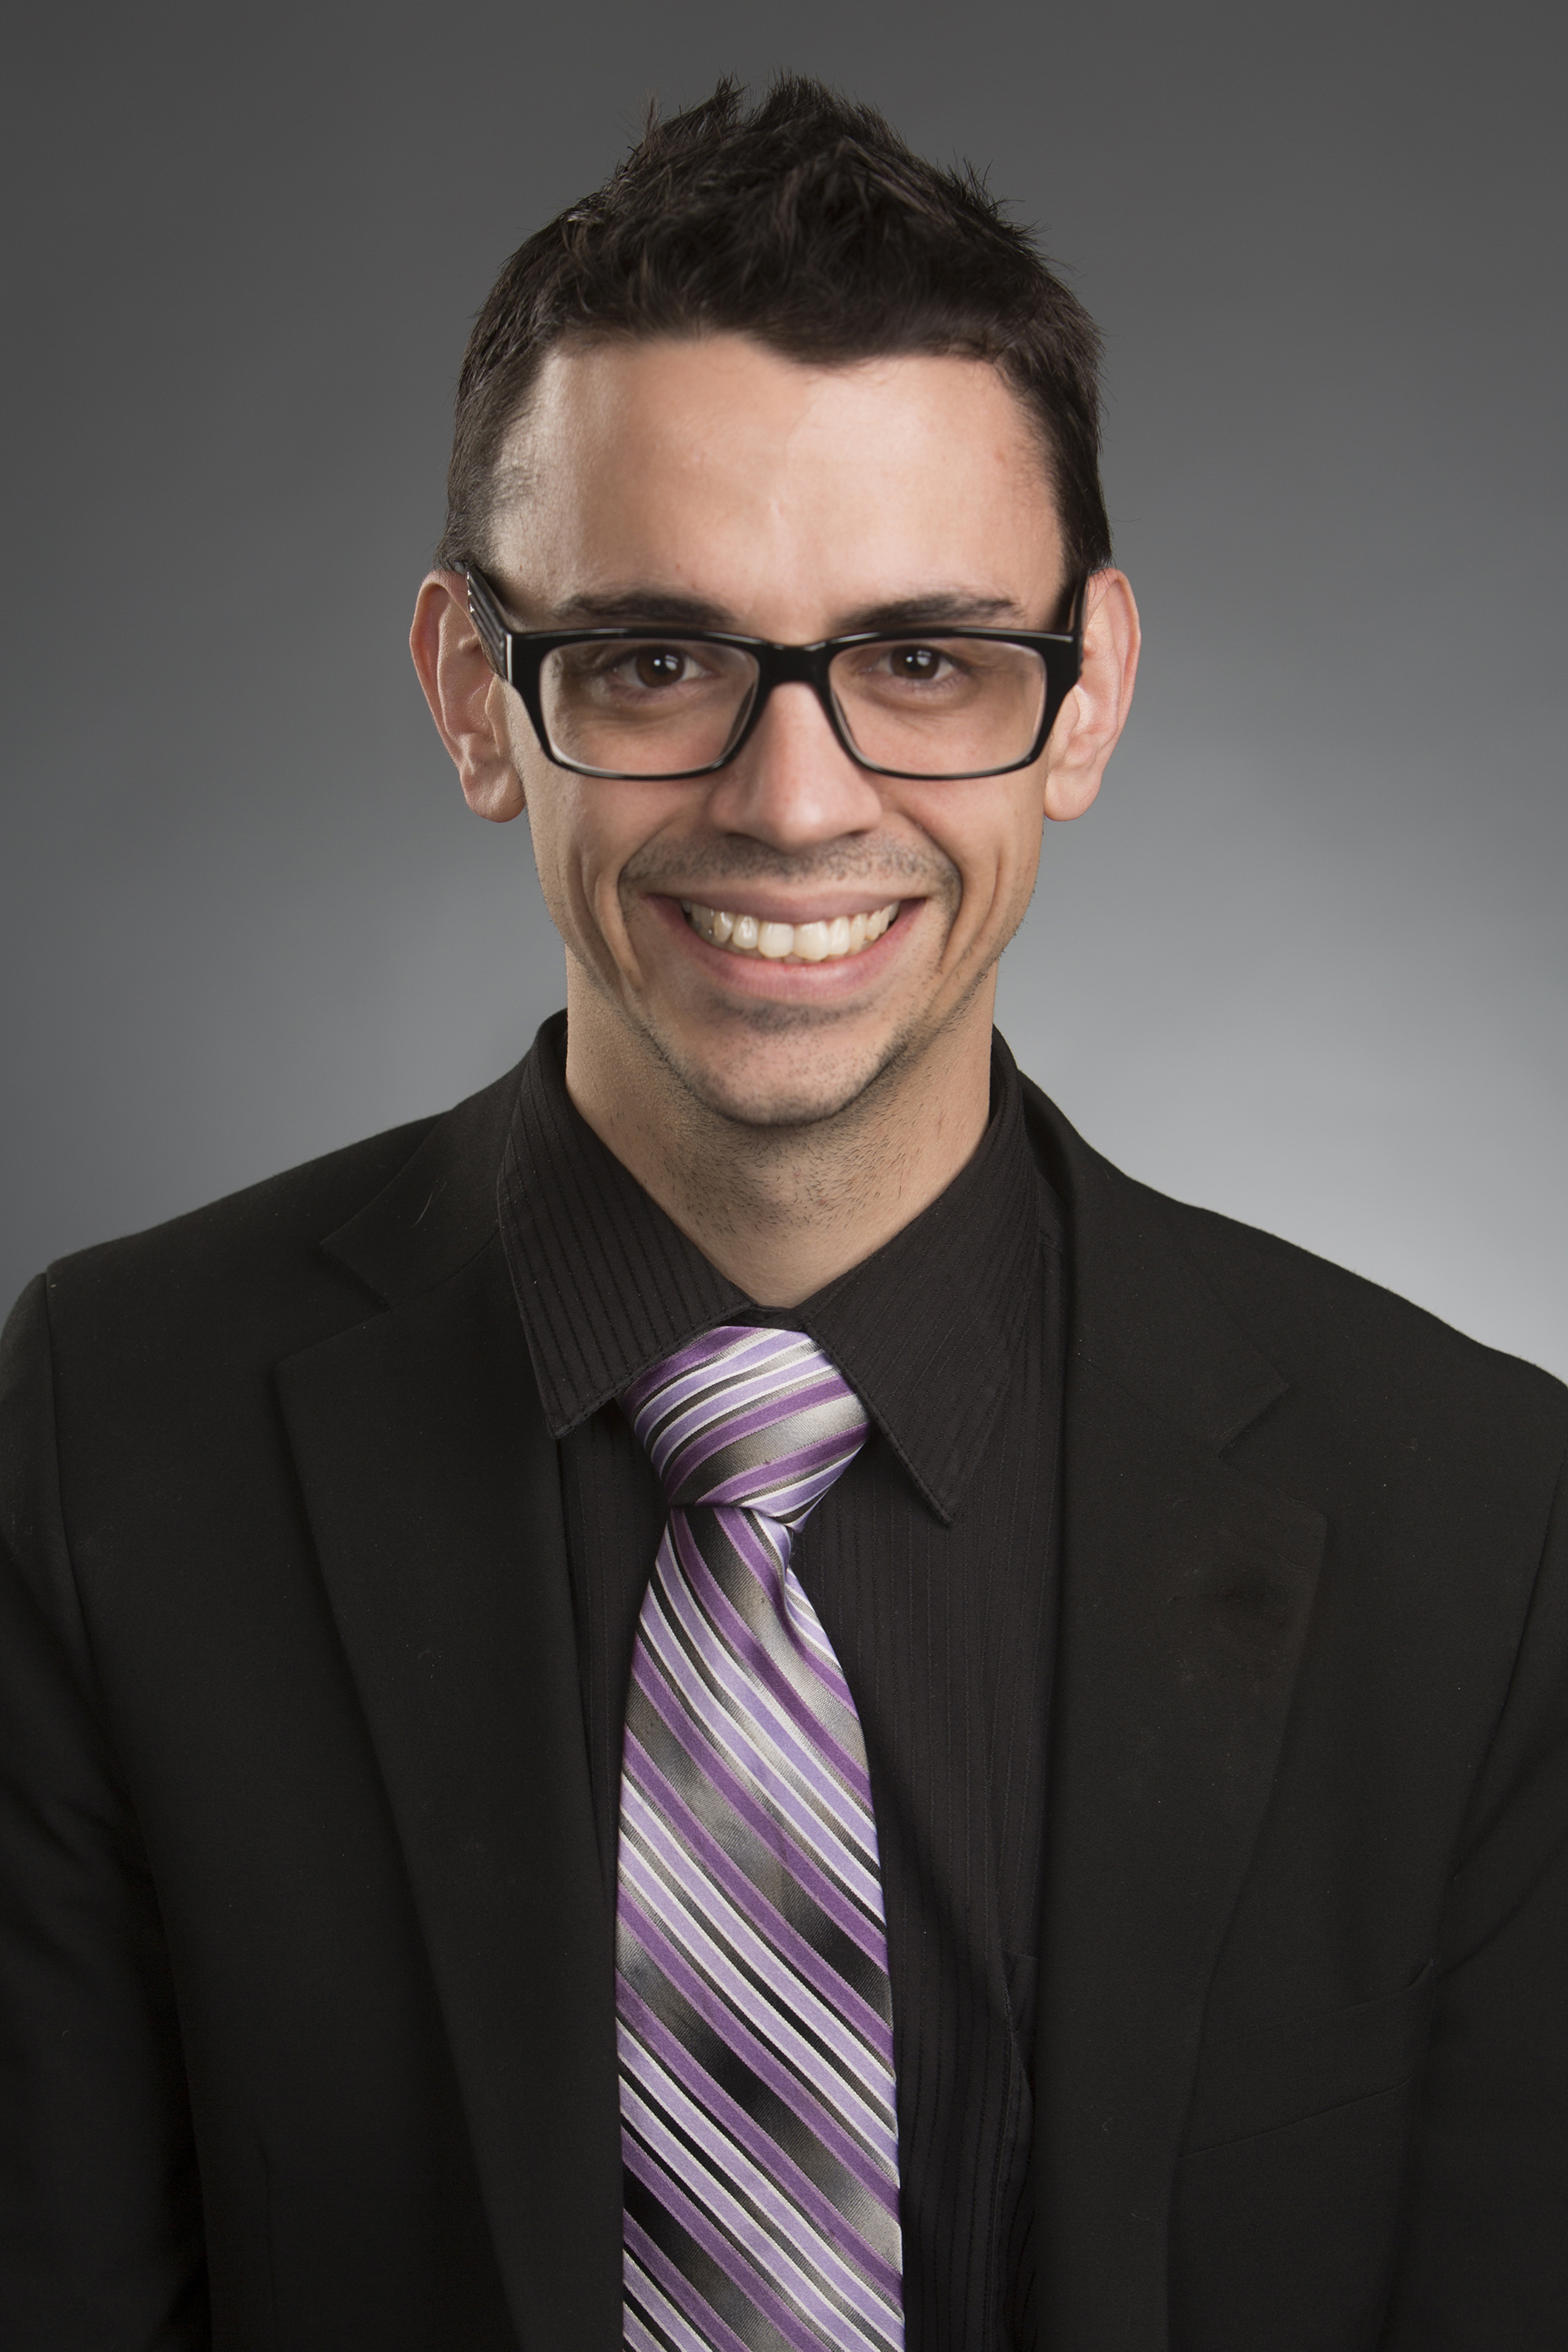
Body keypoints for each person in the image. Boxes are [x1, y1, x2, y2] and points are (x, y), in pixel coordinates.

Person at [1, 74, 1564, 2352]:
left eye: (925, 659)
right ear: (472, 695)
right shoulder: (109, 1432)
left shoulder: (1490, 1531)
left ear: (1088, 698)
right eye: (658, 659)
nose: (798, 799)